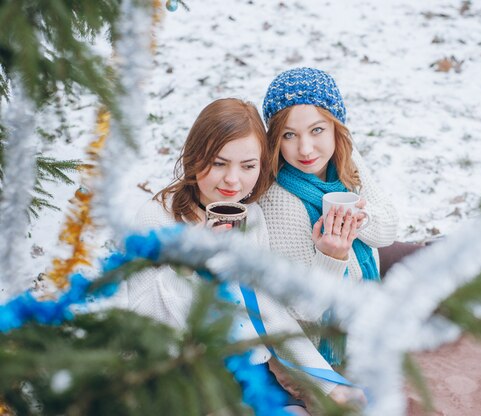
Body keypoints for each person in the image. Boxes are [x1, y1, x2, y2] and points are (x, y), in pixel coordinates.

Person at [127, 98, 346, 415]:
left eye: (248, 166)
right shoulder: (156, 219)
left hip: (246, 372)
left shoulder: (251, 217)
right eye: (218, 163)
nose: (233, 180)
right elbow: (142, 319)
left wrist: (329, 384)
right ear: (194, 157)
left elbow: (269, 308)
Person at [258, 67, 399, 404]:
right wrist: (331, 256)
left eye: (317, 130)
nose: (305, 148)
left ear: (337, 127)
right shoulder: (279, 200)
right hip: (312, 344)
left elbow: (388, 230)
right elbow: (302, 308)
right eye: (289, 135)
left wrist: (356, 219)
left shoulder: (346, 163)